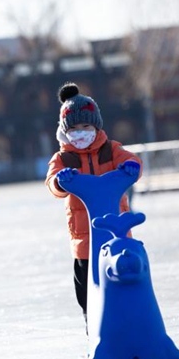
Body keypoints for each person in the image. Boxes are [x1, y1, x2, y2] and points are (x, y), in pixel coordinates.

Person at [45, 82, 141, 329]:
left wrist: (132, 167)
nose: (80, 132)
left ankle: (128, 324)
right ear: (65, 130)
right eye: (74, 128)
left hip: (115, 233)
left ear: (96, 125)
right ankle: (94, 326)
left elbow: (132, 161)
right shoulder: (63, 157)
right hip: (83, 238)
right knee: (87, 287)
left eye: (85, 126)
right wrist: (60, 181)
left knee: (121, 279)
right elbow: (51, 183)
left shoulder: (111, 150)